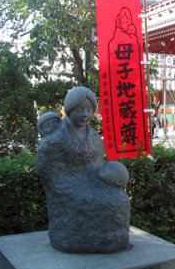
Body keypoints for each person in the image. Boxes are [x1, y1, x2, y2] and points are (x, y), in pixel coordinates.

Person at [36, 86, 130, 253]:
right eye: (80, 110)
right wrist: (66, 187)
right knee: (89, 201)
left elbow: (99, 166)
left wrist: (104, 181)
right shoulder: (54, 138)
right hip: (66, 186)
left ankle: (113, 239)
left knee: (119, 198)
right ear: (69, 109)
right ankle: (74, 239)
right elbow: (48, 172)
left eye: (88, 110)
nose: (85, 114)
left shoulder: (93, 136)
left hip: (93, 181)